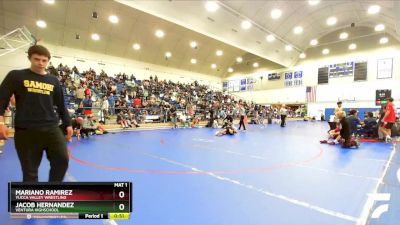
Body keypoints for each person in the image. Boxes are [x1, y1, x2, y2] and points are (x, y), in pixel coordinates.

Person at [0, 45, 73, 182]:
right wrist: (1, 122)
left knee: (62, 160)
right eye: (37, 59)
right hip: (26, 131)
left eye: (44, 60)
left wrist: (68, 124)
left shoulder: (54, 81)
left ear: (48, 62)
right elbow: (2, 100)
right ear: (29, 58)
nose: (40, 63)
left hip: (51, 128)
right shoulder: (16, 76)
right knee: (30, 172)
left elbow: (61, 105)